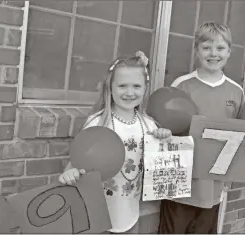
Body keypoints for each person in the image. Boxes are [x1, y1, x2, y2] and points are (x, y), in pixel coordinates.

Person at [158, 22, 245, 234]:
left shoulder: (237, 91)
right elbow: (165, 125)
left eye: (220, 48)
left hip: (213, 186)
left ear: (229, 52)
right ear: (196, 51)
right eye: (206, 47)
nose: (213, 54)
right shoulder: (182, 85)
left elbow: (241, 134)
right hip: (180, 184)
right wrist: (163, 133)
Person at [59, 51, 172, 234]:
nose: (129, 92)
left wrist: (164, 138)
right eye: (122, 86)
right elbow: (78, 160)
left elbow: (162, 163)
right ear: (110, 88)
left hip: (130, 214)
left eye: (136, 86)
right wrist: (69, 173)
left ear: (145, 88)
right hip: (96, 217)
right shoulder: (98, 122)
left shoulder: (149, 125)